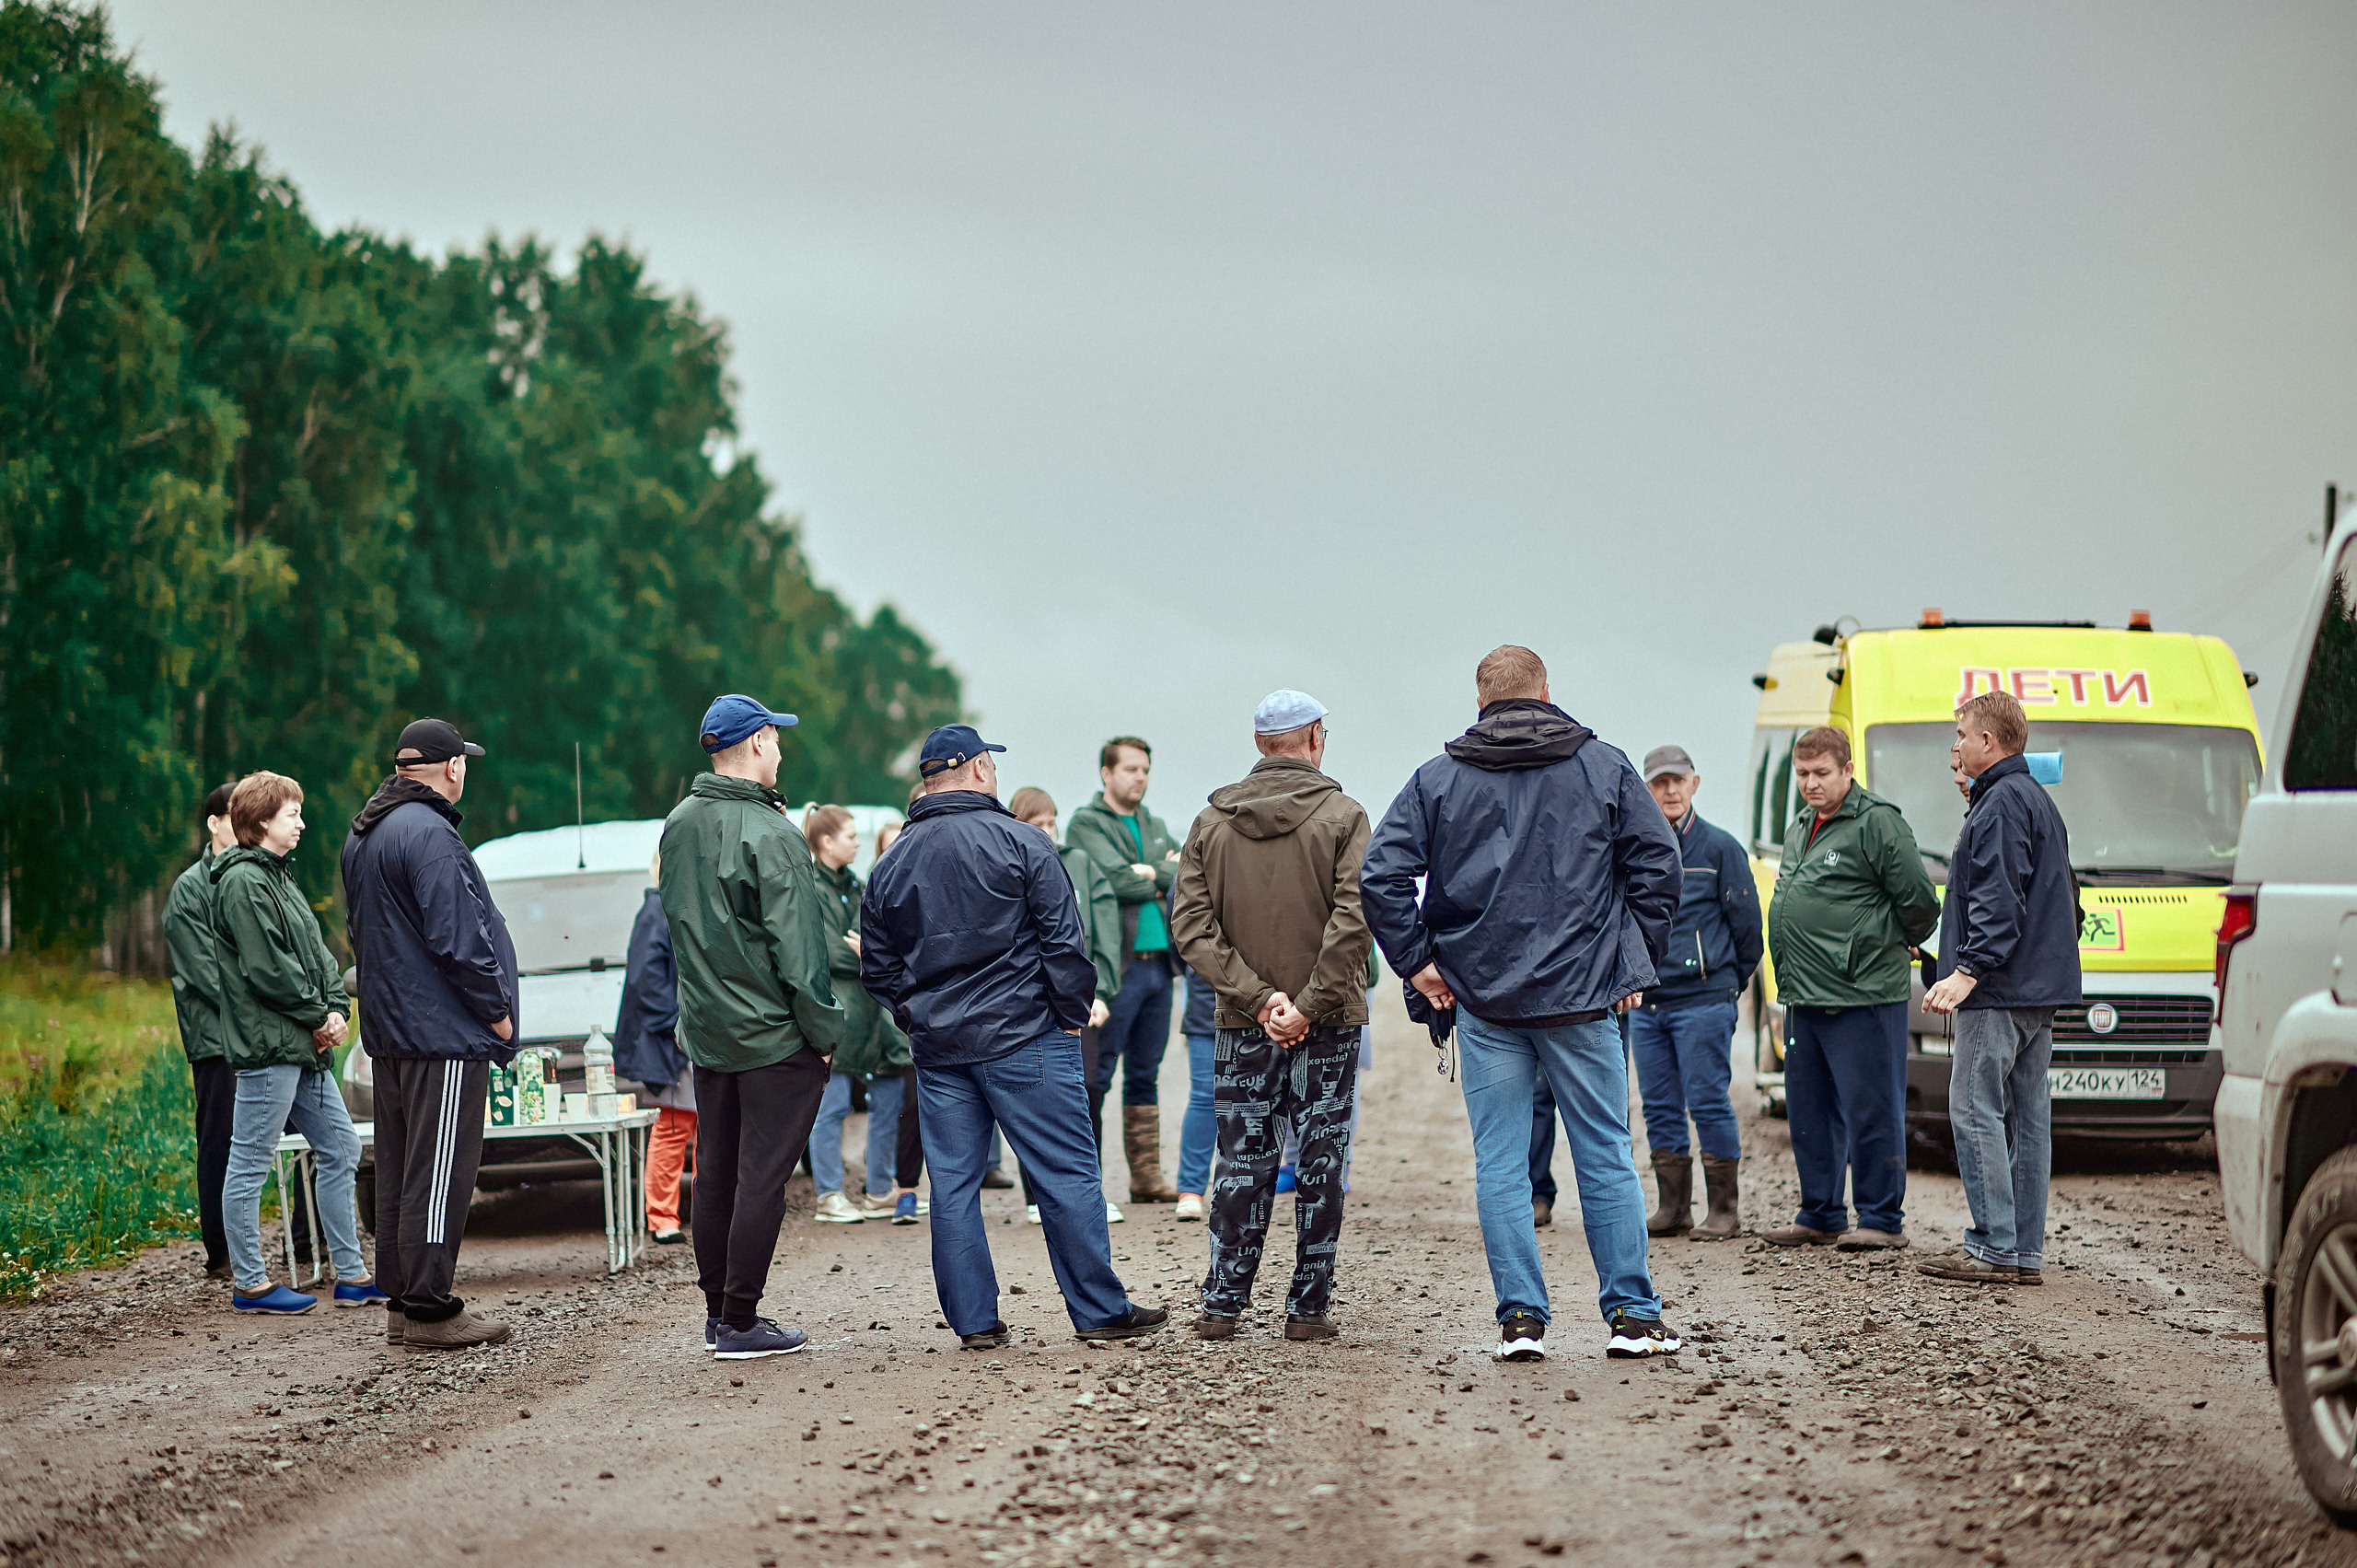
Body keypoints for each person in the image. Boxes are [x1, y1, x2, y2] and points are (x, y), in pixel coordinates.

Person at [1362, 645, 1684, 1363]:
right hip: (1582, 997)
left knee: (1501, 1164)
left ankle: (1521, 1322)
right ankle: (1632, 1318)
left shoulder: (1439, 777)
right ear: (1546, 692)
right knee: (1605, 1155)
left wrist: (1420, 965)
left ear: (1480, 702)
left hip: (1484, 1001)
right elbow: (1660, 862)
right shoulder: (1603, 765)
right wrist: (1632, 958)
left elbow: (1381, 876)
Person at [860, 725, 1167, 1348]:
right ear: (977, 769)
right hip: (1027, 1034)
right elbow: (1064, 940)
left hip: (941, 1047)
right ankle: (1099, 1311)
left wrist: (916, 1016)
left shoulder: (890, 862)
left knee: (953, 1186)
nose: (995, 773)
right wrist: (1068, 1013)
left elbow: (878, 966)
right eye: (991, 765)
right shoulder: (1024, 841)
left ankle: (975, 1323)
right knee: (1066, 1172)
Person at [1170, 689, 1373, 1342]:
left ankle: (1222, 1305)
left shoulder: (1211, 822)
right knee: (1322, 1161)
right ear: (1314, 738)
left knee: (1241, 1160)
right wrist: (1307, 1005)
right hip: (1329, 1022)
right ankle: (1307, 1310)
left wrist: (1258, 1000)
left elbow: (1191, 926)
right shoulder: (1344, 816)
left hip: (1242, 1025)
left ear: (1260, 744)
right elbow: (1354, 919)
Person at [658, 695, 846, 1360]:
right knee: (762, 1177)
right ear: (759, 741)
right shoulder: (773, 832)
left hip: (709, 1032)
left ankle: (719, 1315)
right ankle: (740, 1321)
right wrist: (824, 1033)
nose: (781, 750)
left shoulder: (678, 823)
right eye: (777, 738)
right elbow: (801, 952)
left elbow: (680, 929)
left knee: (716, 1172)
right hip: (773, 1034)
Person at [343, 718, 521, 1348]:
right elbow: (459, 938)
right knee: (440, 1171)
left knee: (400, 1169)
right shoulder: (431, 835)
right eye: (463, 760)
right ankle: (429, 1309)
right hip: (441, 1033)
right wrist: (497, 1012)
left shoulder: (364, 833)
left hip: (391, 1032)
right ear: (452, 767)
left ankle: (403, 1303)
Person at [1918, 691, 2082, 1285]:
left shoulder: (2000, 804)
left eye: (1962, 735)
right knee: (2029, 1119)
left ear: (1988, 741)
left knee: (1974, 1108)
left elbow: (1997, 899)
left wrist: (1968, 970)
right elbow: (2068, 901)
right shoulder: (2036, 799)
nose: (1956, 746)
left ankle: (1993, 1247)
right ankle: (2022, 1252)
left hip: (1999, 991)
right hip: (2037, 990)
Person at [1760, 726, 1942, 1251]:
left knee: (1872, 1110)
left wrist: (1876, 945)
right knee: (1809, 1110)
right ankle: (1819, 1213)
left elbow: (1920, 903)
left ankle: (1881, 1219)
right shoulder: (1801, 824)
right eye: (1802, 774)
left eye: (1821, 773)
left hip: (1864, 995)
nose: (1810, 784)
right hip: (1804, 993)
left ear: (1848, 770)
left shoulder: (1878, 822)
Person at [213, 772, 385, 1316]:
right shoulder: (243, 882)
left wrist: (336, 1009)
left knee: (341, 1148)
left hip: (305, 1046)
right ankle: (251, 1285)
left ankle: (352, 1275)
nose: (302, 823)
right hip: (270, 1048)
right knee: (250, 1162)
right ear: (262, 820)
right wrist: (318, 1015)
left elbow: (319, 957)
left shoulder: (280, 878)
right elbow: (268, 969)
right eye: (292, 814)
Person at [1626, 744, 1764, 1242]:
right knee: (1659, 1106)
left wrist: (1724, 983)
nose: (1670, 790)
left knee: (1707, 1100)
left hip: (1705, 1001)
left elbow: (1749, 932)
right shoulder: (1633, 850)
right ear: (1646, 790)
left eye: (1677, 780)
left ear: (1694, 784)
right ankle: (1673, 1208)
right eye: (1660, 782)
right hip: (1649, 1004)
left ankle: (1724, 1211)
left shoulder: (1721, 848)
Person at [1066, 737, 1183, 1203]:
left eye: (1145, 770)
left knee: (1145, 1074)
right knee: (1096, 1076)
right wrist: (1159, 873)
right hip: (1118, 970)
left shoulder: (1154, 824)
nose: (1141, 778)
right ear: (1106, 773)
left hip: (1161, 968)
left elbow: (1188, 872)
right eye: (1131, 769)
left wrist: (1148, 872)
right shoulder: (1086, 823)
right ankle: (1086, 1182)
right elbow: (1112, 881)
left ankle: (1146, 1178)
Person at [1007, 786, 1123, 1225]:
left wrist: (1102, 990)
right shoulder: (1006, 864)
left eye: (1051, 822)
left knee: (1087, 1092)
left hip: (1080, 1001)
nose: (1047, 831)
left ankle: (1089, 1192)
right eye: (1037, 824)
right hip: (1028, 1005)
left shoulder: (1079, 863)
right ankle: (1037, 1197)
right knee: (1032, 1098)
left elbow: (1104, 929)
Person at [805, 806, 917, 1225]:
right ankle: (828, 1195)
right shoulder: (811, 888)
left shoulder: (857, 885)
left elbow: (874, 936)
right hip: (837, 1016)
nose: (857, 843)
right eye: (850, 836)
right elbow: (826, 950)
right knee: (831, 1108)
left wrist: (870, 950)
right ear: (826, 841)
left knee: (888, 1105)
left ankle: (879, 1190)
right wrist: (873, 955)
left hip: (874, 1016)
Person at [164, 783, 242, 1281]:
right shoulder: (189, 891)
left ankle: (304, 1241)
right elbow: (206, 975)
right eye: (236, 816)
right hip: (216, 1039)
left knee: (299, 1132)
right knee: (220, 1141)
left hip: (264, 1034)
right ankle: (221, 1252)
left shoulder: (257, 877)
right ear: (213, 824)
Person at [614, 852, 691, 1244]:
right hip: (674, 1042)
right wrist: (677, 1024)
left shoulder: (675, 907)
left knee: (699, 1127)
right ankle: (662, 1218)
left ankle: (689, 1214)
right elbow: (646, 982)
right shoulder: (657, 910)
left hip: (690, 1037)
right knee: (676, 1126)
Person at [1172, 964, 1218, 1222]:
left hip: (1265, 1004)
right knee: (1204, 1096)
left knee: (1258, 1098)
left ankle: (1247, 1187)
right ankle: (1191, 1190)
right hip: (1207, 1004)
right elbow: (1182, 948)